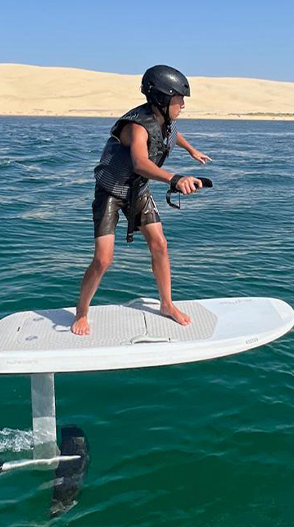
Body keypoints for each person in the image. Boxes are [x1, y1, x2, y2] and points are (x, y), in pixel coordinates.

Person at [71, 65, 211, 336]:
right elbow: (139, 163)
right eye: (178, 99)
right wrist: (174, 178)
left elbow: (171, 134)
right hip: (111, 192)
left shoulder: (164, 119)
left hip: (138, 191)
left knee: (160, 244)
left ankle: (167, 305)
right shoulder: (137, 127)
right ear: (161, 99)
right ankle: (82, 312)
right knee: (103, 259)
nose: (182, 105)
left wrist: (192, 149)